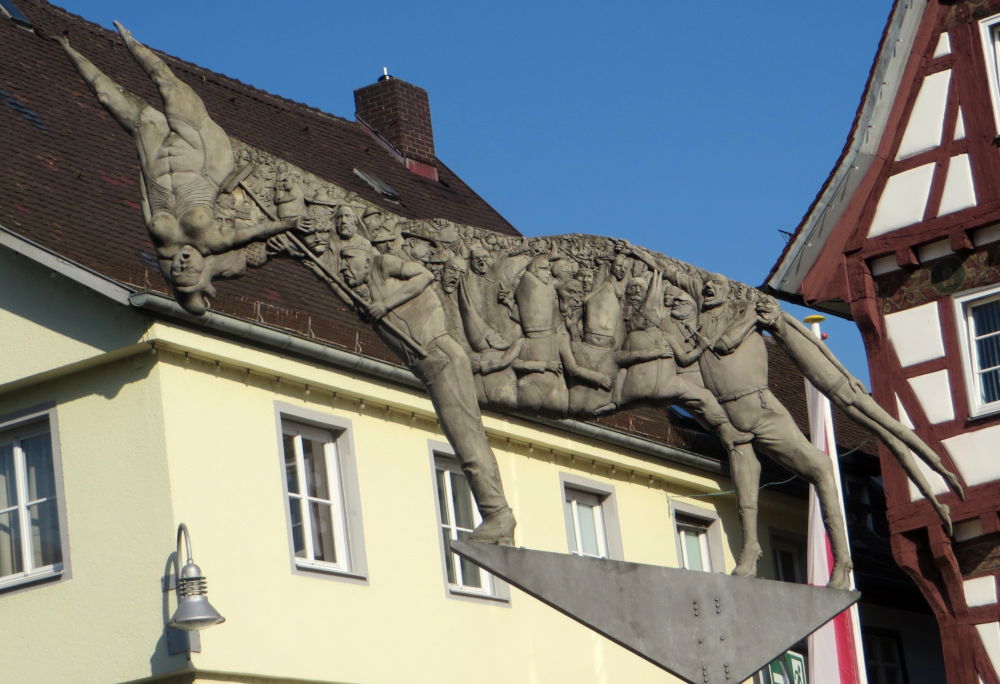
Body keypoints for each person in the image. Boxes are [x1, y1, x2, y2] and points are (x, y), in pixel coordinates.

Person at [58, 25, 308, 313]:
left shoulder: (164, 248)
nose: (183, 264)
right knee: (168, 85)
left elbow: (145, 198)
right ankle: (128, 39)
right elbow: (256, 233)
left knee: (107, 98)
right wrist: (289, 224)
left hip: (157, 159)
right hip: (200, 151)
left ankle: (67, 48)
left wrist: (146, 166)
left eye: (178, 272)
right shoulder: (213, 242)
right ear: (204, 272)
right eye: (190, 271)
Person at [338, 245, 515, 544]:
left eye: (348, 259)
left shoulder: (383, 265)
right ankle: (498, 518)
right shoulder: (366, 293)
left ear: (367, 258)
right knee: (466, 441)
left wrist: (385, 303)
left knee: (468, 441)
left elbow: (423, 276)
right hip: (433, 367)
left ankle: (498, 514)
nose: (344, 267)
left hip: (443, 359)